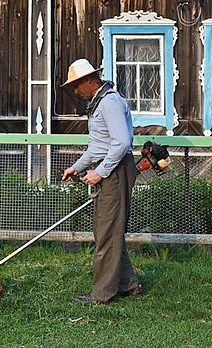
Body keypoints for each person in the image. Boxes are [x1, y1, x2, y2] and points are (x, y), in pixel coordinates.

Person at [61, 58, 142, 304]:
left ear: (88, 80)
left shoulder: (110, 102)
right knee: (105, 230)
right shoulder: (98, 103)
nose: (75, 91)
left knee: (107, 232)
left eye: (76, 85)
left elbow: (122, 143)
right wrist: (77, 167)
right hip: (110, 168)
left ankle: (102, 294)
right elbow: (97, 147)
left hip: (117, 170)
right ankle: (128, 284)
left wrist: (101, 172)